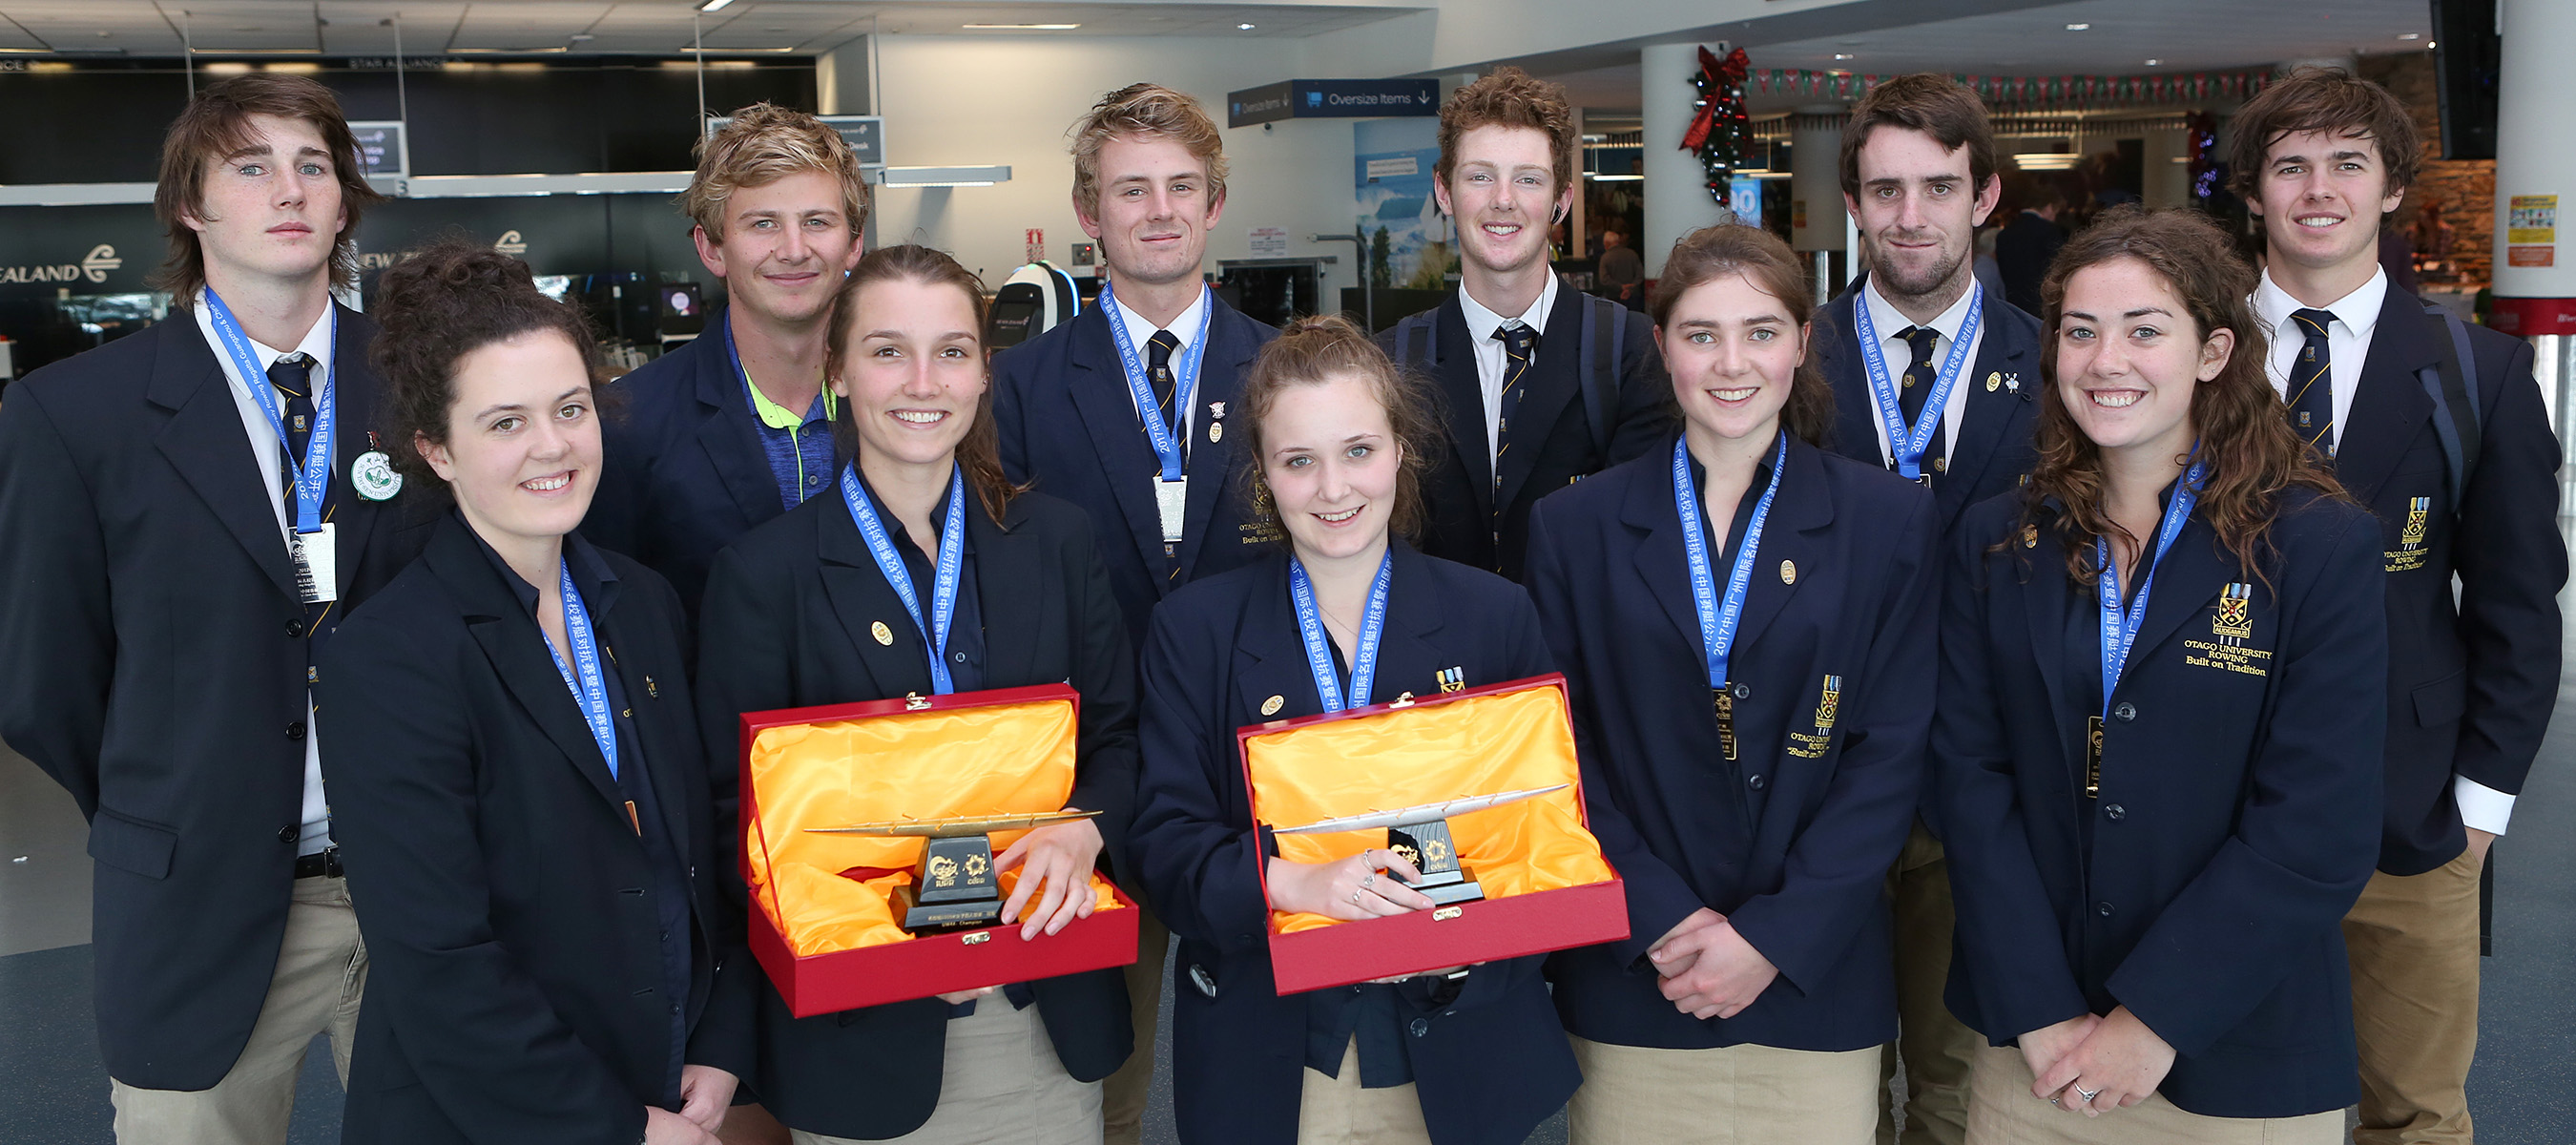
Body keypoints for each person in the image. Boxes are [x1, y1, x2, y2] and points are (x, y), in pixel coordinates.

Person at [0, 73, 426, 1144]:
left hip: (425, 878)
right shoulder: (72, 414)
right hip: (202, 896)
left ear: (342, 204)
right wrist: (175, 793)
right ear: (192, 207)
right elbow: (42, 674)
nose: (288, 188)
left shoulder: (425, 389)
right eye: (251, 167)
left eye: (313, 166)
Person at [1936, 206, 2385, 1141]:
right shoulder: (1995, 538)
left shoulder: (2316, 543)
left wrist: (2154, 1020)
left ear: (2213, 352)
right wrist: (2041, 1008)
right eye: (2081, 331)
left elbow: (2318, 820)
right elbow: (1969, 784)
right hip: (2037, 1048)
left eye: (2146, 331)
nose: (2108, 361)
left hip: (2232, 1044)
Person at [696, 244, 1138, 1144]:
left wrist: (1084, 822)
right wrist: (886, 936)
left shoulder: (1057, 541)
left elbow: (1124, 738)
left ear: (984, 373)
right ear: (840, 370)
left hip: (1043, 998)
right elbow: (731, 814)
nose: (922, 382)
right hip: (864, 1030)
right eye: (889, 350)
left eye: (952, 351)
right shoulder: (763, 574)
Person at [316, 241, 750, 1144]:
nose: (552, 446)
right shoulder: (389, 657)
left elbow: (708, 839)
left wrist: (720, 1040)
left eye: (571, 409)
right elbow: (440, 962)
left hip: (671, 1070)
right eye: (505, 422)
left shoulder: (644, 604)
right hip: (508, 1112)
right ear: (435, 449)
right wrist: (617, 1126)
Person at [1526, 224, 1936, 1143]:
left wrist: (1774, 938)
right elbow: (1557, 751)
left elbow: (1892, 751)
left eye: (1759, 331)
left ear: (1800, 341)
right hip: (1638, 970)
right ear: (1661, 345)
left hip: (1814, 973)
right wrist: (1663, 916)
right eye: (1701, 334)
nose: (1731, 363)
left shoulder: (1888, 521)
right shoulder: (1575, 526)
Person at [1130, 315, 1580, 1145]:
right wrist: (1290, 883)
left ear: (1401, 450)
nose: (1334, 488)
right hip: (1270, 1055)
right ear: (1265, 473)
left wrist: (1470, 939)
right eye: (1299, 461)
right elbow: (1162, 843)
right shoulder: (1194, 630)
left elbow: (1543, 831)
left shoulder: (1494, 618)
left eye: (1358, 451)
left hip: (1454, 1047)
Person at [2227, 68, 2565, 1145]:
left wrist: (2480, 811)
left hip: (2410, 814)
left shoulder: (2480, 372)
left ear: (2391, 190)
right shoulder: (2185, 352)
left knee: (2412, 1114)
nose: (2316, 190)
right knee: (2207, 1104)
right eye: (2290, 166)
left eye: (2346, 165)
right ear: (2253, 194)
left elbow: (2519, 606)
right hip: (2208, 803)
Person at [987, 82, 1276, 1145]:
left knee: (1260, 1068)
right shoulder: (1015, 387)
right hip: (1087, 779)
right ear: (1087, 211)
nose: (1158, 211)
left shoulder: (1287, 370)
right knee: (1102, 1077)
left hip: (1254, 768)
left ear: (1213, 205)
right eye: (1130, 190)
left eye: (1181, 188)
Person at [1811, 72, 2043, 1145]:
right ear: (1851, 203)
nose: (1912, 216)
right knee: (1832, 1073)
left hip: (1987, 780)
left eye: (1938, 188)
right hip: (1822, 776)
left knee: (1956, 1086)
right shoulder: (1785, 359)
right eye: (1886, 189)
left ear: (1984, 197)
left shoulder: (2059, 365)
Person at [1381, 67, 1672, 583]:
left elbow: (1640, 545)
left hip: (1576, 654)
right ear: (1444, 192)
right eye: (1480, 176)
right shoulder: (1390, 363)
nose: (1503, 199)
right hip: (1438, 654)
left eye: (1528, 179)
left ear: (1561, 201)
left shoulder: (1630, 353)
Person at [586, 102, 869, 616]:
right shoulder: (628, 422)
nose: (794, 249)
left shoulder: (902, 402)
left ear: (854, 244)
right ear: (711, 248)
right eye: (763, 224)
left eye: (817, 222)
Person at [1996, 182, 2067, 316]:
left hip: (2013, 305)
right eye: (2055, 212)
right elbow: (2057, 269)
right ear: (2049, 207)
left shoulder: (2004, 235)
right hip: (2043, 305)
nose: (2054, 217)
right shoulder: (2049, 231)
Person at [1596, 227, 1644, 308]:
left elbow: (1604, 279)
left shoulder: (1605, 257)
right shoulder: (1632, 254)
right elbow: (1640, 275)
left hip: (1613, 298)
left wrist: (1620, 287)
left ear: (1606, 243)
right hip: (1633, 298)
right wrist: (1630, 288)